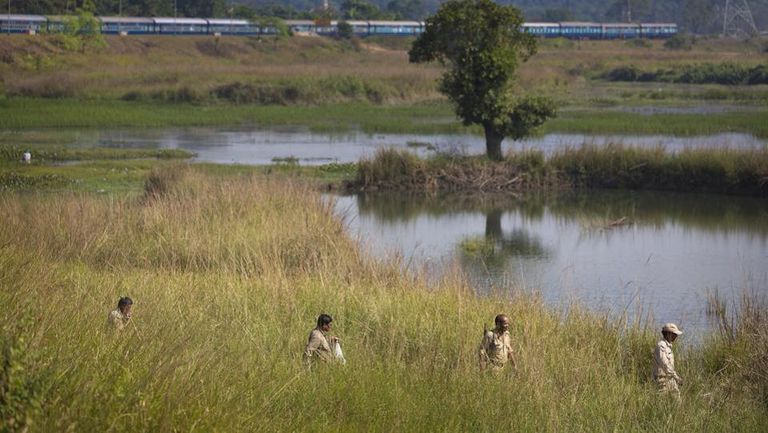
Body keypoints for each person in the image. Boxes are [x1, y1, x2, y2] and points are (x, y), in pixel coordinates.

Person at [654, 323, 683, 397]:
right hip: (662, 380)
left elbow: (670, 366)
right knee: (662, 402)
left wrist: (675, 377)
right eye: (674, 334)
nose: (676, 336)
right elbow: (665, 365)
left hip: (671, 379)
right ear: (668, 334)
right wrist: (676, 377)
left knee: (677, 401)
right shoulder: (661, 346)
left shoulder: (668, 346)